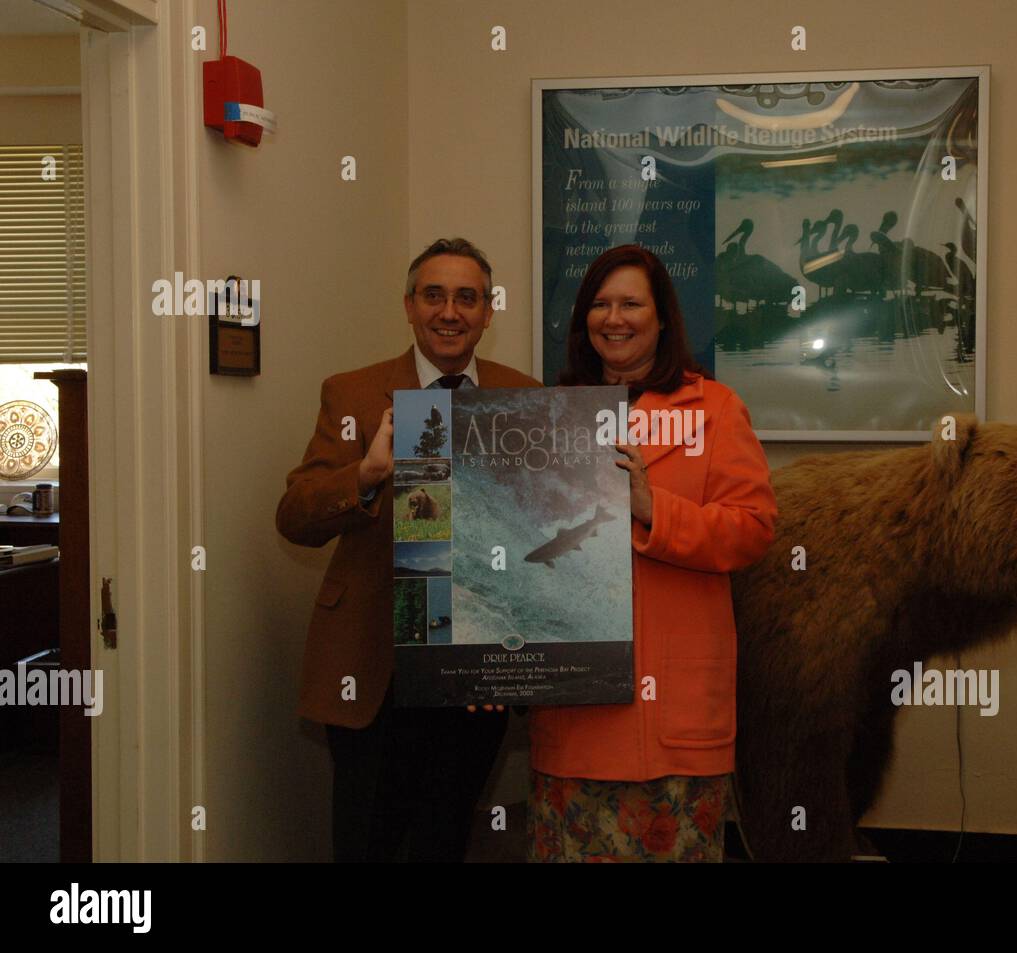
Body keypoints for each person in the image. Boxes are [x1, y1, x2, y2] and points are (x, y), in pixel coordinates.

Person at [276, 238, 540, 862]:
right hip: (374, 667)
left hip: (474, 669)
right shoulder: (353, 393)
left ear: (487, 311)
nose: (450, 312)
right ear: (409, 306)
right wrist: (364, 476)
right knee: (367, 840)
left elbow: (534, 534)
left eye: (467, 298)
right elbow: (294, 517)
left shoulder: (522, 396)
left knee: (444, 840)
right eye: (434, 295)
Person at [526, 244, 776, 862]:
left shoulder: (715, 410)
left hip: (677, 718)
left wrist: (652, 508)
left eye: (631, 303)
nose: (615, 318)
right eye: (600, 304)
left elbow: (752, 529)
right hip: (576, 712)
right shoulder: (546, 417)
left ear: (662, 318)